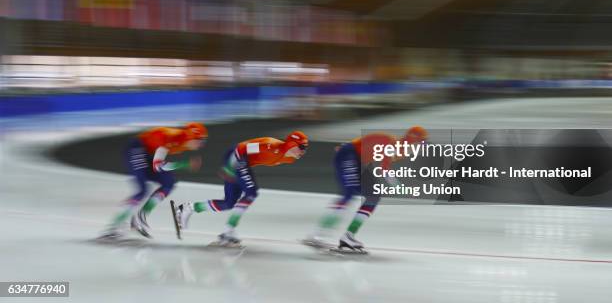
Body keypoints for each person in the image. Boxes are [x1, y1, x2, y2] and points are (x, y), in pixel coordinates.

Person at [303, 126, 428, 253]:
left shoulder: (400, 151)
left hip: (358, 161)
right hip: (348, 155)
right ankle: (317, 235)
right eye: (420, 143)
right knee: (349, 193)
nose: (420, 148)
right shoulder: (391, 142)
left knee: (374, 195)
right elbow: (384, 169)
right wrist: (400, 188)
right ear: (412, 140)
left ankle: (349, 236)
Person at [172, 131, 309, 246]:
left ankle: (187, 208)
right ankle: (228, 231)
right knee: (251, 193)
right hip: (236, 157)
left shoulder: (289, 158)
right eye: (302, 147)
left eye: (306, 148)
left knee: (228, 203)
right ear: (291, 144)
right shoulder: (270, 146)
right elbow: (241, 149)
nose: (303, 151)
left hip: (243, 163)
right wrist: (229, 168)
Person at [99, 122, 207, 240]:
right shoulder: (171, 137)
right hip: (136, 149)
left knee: (168, 183)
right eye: (200, 141)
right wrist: (184, 164)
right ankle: (113, 227)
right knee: (142, 190)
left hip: (147, 153)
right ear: (191, 137)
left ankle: (140, 218)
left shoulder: (184, 142)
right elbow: (158, 166)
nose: (201, 145)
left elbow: (157, 162)